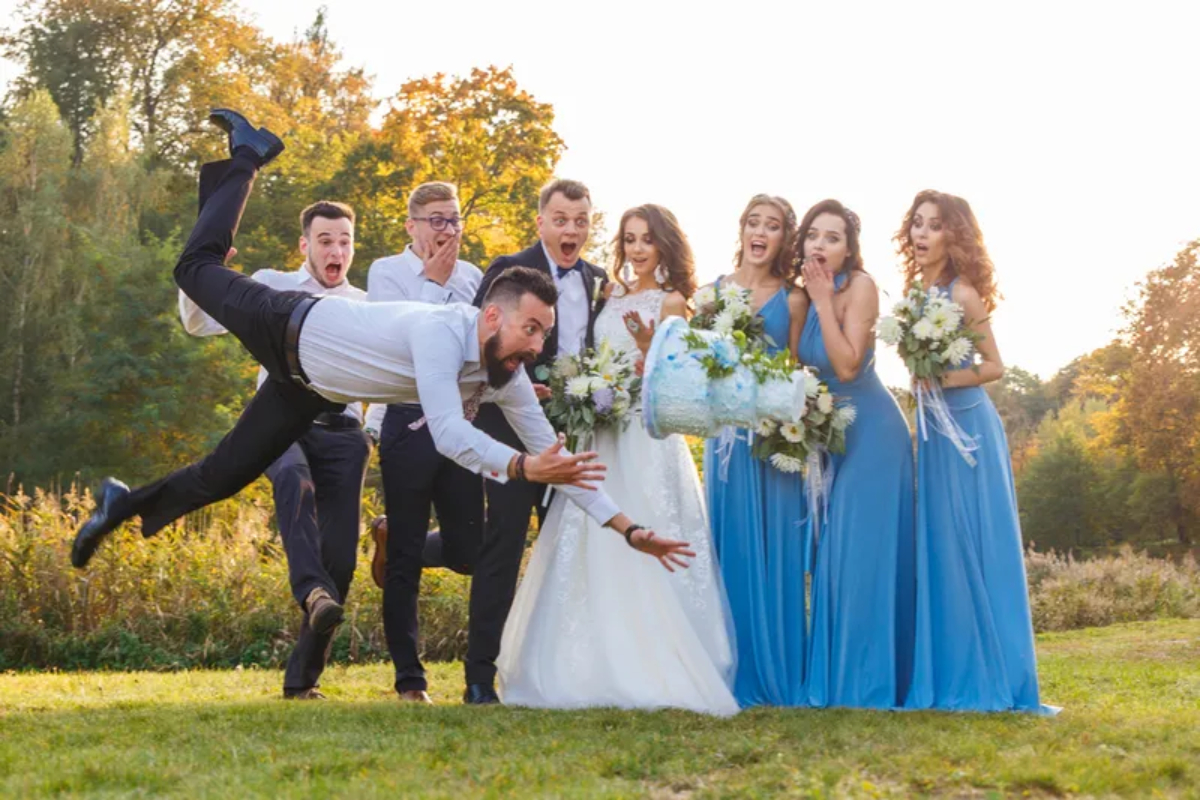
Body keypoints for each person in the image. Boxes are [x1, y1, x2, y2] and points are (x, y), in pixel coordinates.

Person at [71, 110, 695, 605]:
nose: (537, 347)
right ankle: (248, 155)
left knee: (222, 475)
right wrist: (525, 469)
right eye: (532, 330)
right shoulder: (441, 333)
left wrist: (630, 530)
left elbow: (558, 464)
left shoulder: (504, 375)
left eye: (544, 333)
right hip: (288, 325)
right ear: (492, 316)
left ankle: (120, 504)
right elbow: (451, 435)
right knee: (192, 268)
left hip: (309, 388)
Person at [498, 205, 738, 715]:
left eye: (647, 239)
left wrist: (649, 349)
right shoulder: (608, 294)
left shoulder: (673, 302)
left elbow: (677, 380)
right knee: (589, 538)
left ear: (665, 244)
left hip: (645, 436)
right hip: (601, 432)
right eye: (629, 239)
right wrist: (585, 392)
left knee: (648, 525)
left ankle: (655, 659)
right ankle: (584, 661)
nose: (636, 249)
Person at [179, 196, 372, 700]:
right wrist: (209, 272)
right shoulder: (273, 283)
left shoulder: (367, 305)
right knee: (292, 479)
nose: (336, 250)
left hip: (345, 431)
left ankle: (302, 681)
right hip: (282, 422)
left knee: (343, 561)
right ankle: (310, 590)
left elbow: (391, 372)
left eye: (345, 242)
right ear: (304, 244)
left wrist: (376, 431)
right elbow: (199, 324)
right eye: (325, 241)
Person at [896, 190, 1052, 713]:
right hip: (933, 432)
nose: (921, 234)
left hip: (968, 428)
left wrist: (939, 376)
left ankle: (994, 673)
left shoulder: (963, 294)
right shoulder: (915, 293)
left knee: (976, 541)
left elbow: (993, 367)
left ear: (953, 235)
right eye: (916, 224)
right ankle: (947, 670)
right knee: (939, 542)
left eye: (934, 225)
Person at [463, 179, 609, 704]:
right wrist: (518, 379)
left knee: (565, 552)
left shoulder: (598, 280)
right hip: (508, 435)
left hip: (570, 435)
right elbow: (478, 344)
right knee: (501, 546)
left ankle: (559, 674)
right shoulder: (507, 269)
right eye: (562, 218)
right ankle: (479, 677)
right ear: (541, 222)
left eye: (582, 220)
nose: (572, 229)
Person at [789, 199, 916, 709]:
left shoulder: (858, 287)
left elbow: (845, 366)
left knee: (859, 556)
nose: (820, 244)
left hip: (873, 437)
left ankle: (868, 684)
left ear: (849, 248)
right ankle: (839, 678)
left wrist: (822, 300)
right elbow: (798, 366)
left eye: (833, 237)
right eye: (813, 235)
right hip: (828, 437)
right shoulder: (802, 296)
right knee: (831, 559)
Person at [362, 181, 485, 704]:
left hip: (460, 422)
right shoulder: (385, 273)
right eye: (435, 219)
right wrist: (433, 283)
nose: (446, 229)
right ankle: (410, 680)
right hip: (408, 421)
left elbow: (477, 345)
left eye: (453, 219)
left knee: (469, 550)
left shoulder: (475, 277)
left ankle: (389, 537)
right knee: (407, 561)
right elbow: (398, 344)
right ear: (411, 224)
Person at [704, 194, 808, 707]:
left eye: (772, 226)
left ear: (784, 238)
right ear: (741, 229)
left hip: (771, 440)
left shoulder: (793, 299)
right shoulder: (713, 293)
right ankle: (728, 667)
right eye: (753, 223)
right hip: (726, 440)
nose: (760, 232)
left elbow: (795, 372)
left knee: (777, 553)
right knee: (731, 549)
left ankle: (778, 670)